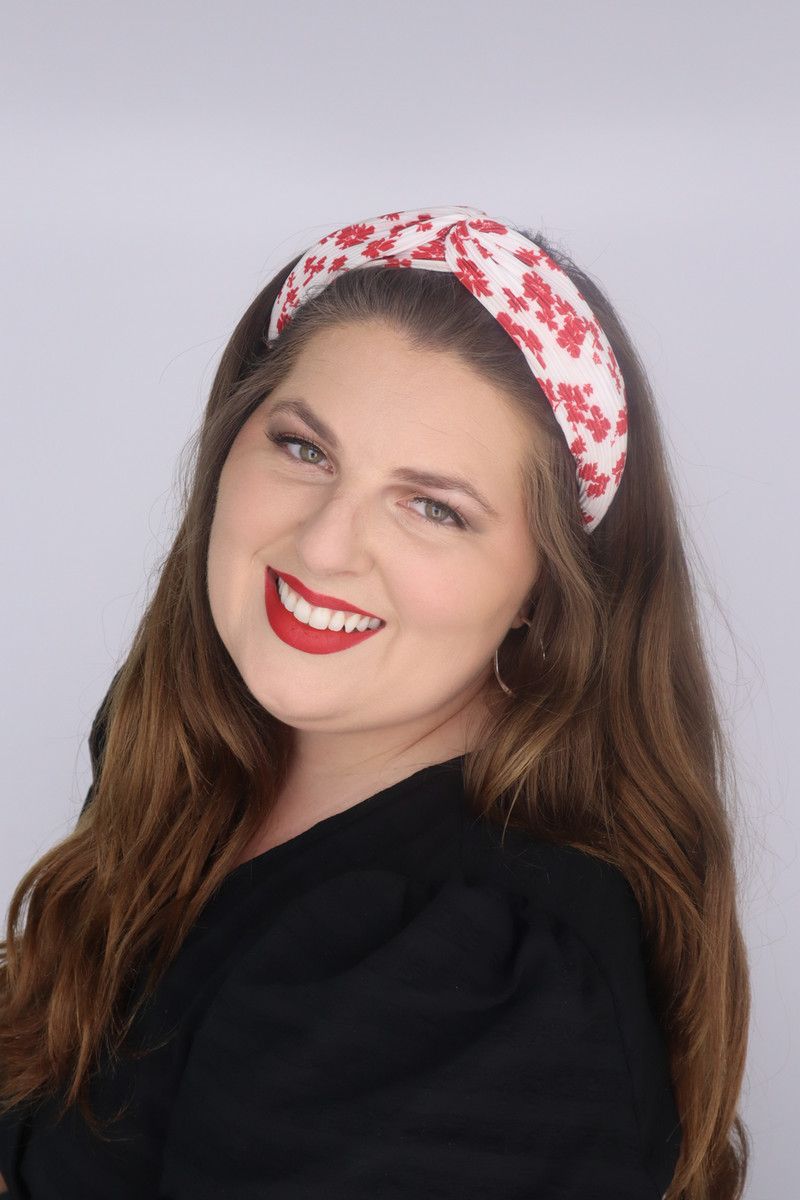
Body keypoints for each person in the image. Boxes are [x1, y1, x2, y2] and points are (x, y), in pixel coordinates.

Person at [0, 208, 748, 1198]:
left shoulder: (472, 982)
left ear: (545, 591)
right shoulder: (187, 742)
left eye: (433, 507)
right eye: (304, 449)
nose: (323, 547)